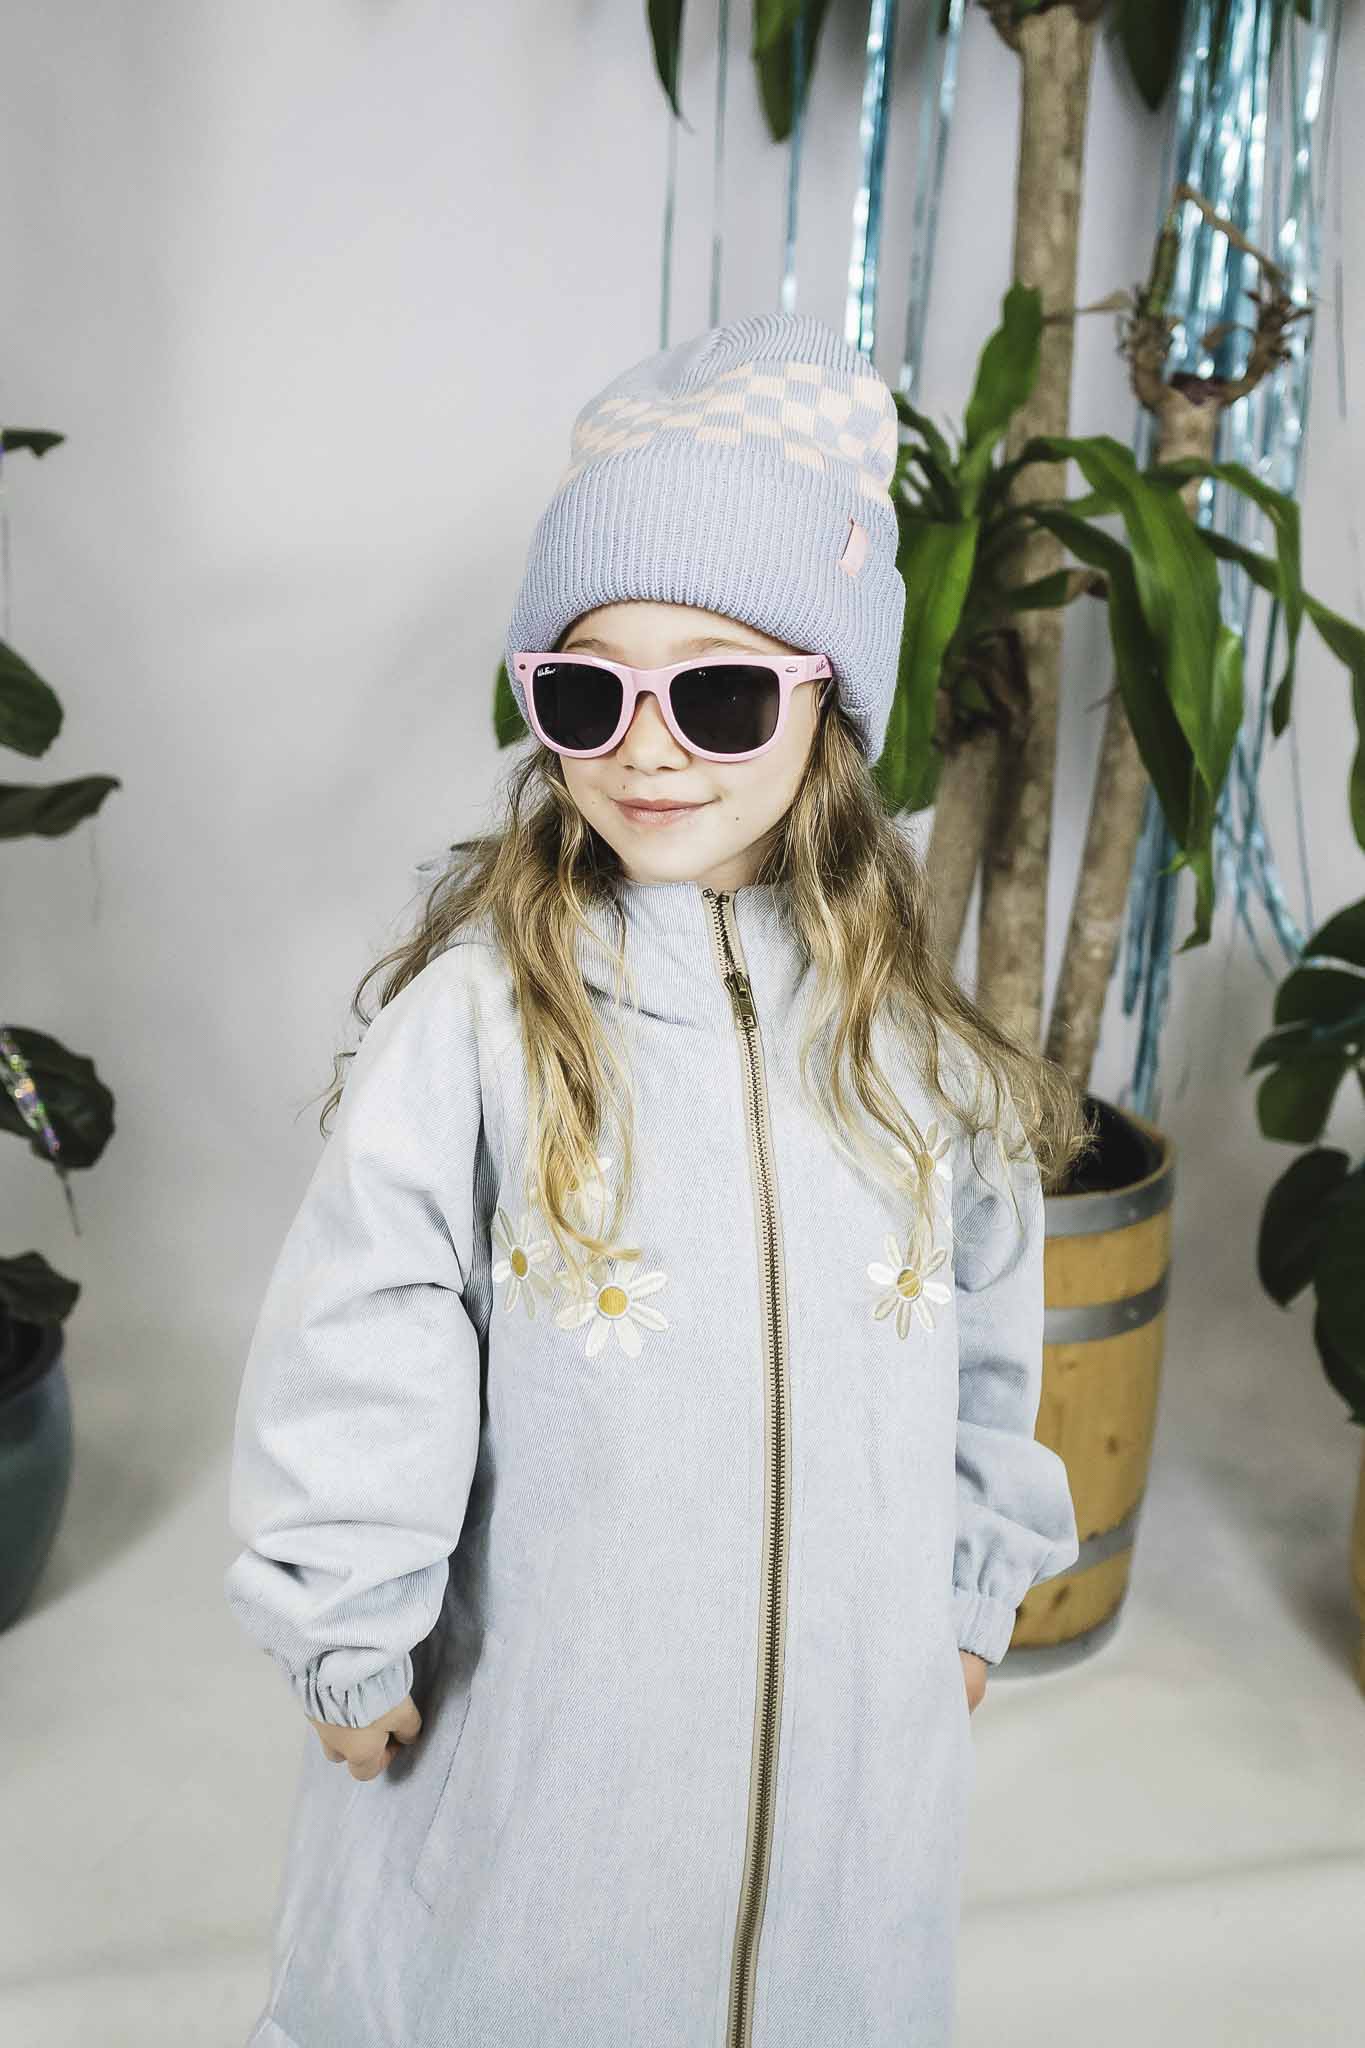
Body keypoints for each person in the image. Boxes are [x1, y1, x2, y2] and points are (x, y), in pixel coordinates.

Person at [223, 310, 1090, 2048]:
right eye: (583, 690)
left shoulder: (909, 1047)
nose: (646, 746)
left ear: (824, 703)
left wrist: (967, 1590)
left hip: (848, 1774)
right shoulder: (483, 1023)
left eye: (716, 690)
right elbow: (368, 1324)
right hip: (550, 1759)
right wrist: (348, 1626)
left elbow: (988, 1338)